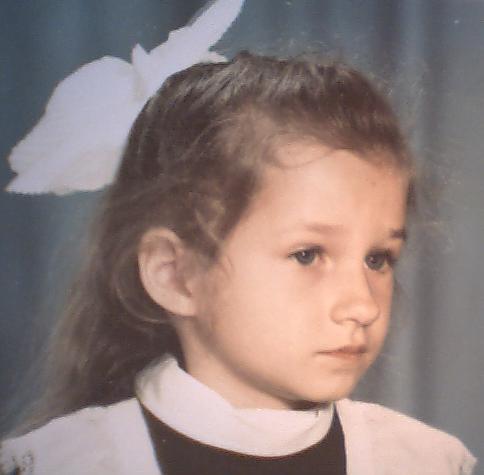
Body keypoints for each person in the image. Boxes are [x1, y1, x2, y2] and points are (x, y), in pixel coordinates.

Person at [0, 2, 477, 474]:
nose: (363, 306)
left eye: (378, 259)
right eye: (308, 254)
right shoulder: (70, 464)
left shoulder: (419, 462)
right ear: (176, 275)